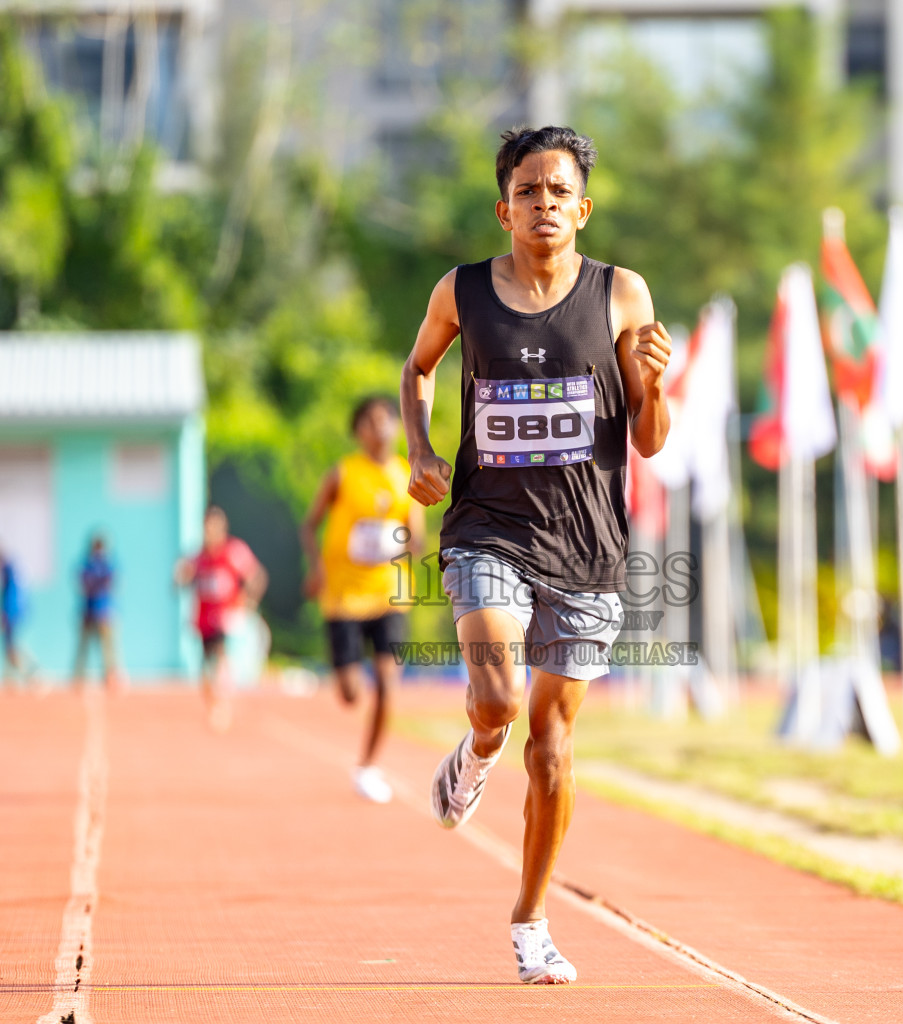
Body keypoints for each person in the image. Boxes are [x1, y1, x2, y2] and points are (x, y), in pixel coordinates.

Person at [400, 126, 671, 985]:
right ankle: (476, 751)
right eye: (529, 191)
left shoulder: (621, 294)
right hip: (486, 530)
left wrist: (657, 384)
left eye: (559, 192)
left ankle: (531, 922)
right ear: (503, 206)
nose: (544, 204)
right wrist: (420, 450)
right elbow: (417, 369)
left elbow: (652, 442)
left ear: (583, 210)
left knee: (551, 747)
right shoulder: (464, 291)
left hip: (588, 547)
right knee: (498, 697)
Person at [301, 395, 424, 804]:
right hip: (344, 596)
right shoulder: (342, 474)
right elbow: (309, 526)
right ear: (359, 431)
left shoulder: (406, 474)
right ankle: (343, 669)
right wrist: (317, 568)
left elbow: (416, 534)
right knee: (351, 692)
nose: (381, 427)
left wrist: (409, 553)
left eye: (387, 419)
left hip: (389, 593)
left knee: (388, 684)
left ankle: (368, 767)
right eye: (371, 421)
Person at [175, 506, 268, 731]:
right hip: (204, 621)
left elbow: (257, 576)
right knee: (205, 668)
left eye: (213, 527)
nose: (209, 532)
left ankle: (223, 705)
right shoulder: (197, 558)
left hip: (227, 619)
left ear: (222, 528)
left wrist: (248, 601)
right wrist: (180, 576)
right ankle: (214, 704)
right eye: (206, 528)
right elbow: (180, 582)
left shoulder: (235, 551)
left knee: (221, 659)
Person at [73, 533, 123, 690]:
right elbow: (83, 586)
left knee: (109, 649)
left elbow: (113, 583)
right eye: (97, 545)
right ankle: (78, 677)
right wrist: (97, 584)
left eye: (101, 546)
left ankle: (111, 678)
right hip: (88, 612)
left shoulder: (109, 563)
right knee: (83, 648)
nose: (99, 549)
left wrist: (96, 584)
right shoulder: (86, 564)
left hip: (105, 611)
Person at [0, 542, 36, 689]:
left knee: (11, 645)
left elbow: (10, 592)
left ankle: (31, 673)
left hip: (12, 610)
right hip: (14, 609)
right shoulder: (9, 564)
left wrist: (4, 612)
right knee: (9, 644)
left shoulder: (6, 567)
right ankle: (11, 677)